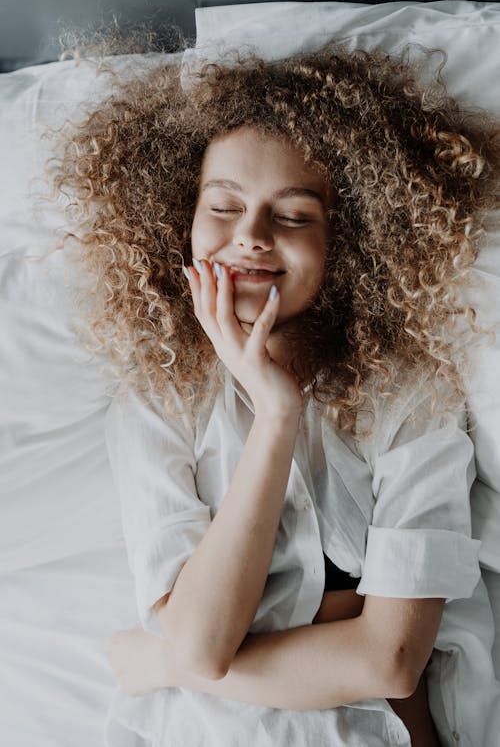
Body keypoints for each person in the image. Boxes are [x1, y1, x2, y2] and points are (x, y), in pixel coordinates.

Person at [50, 42, 500, 747]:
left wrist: (164, 661)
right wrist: (276, 418)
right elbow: (206, 640)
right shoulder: (157, 400)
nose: (252, 237)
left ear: (347, 243)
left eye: (293, 216)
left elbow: (389, 659)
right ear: (182, 219)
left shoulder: (408, 397)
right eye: (224, 206)